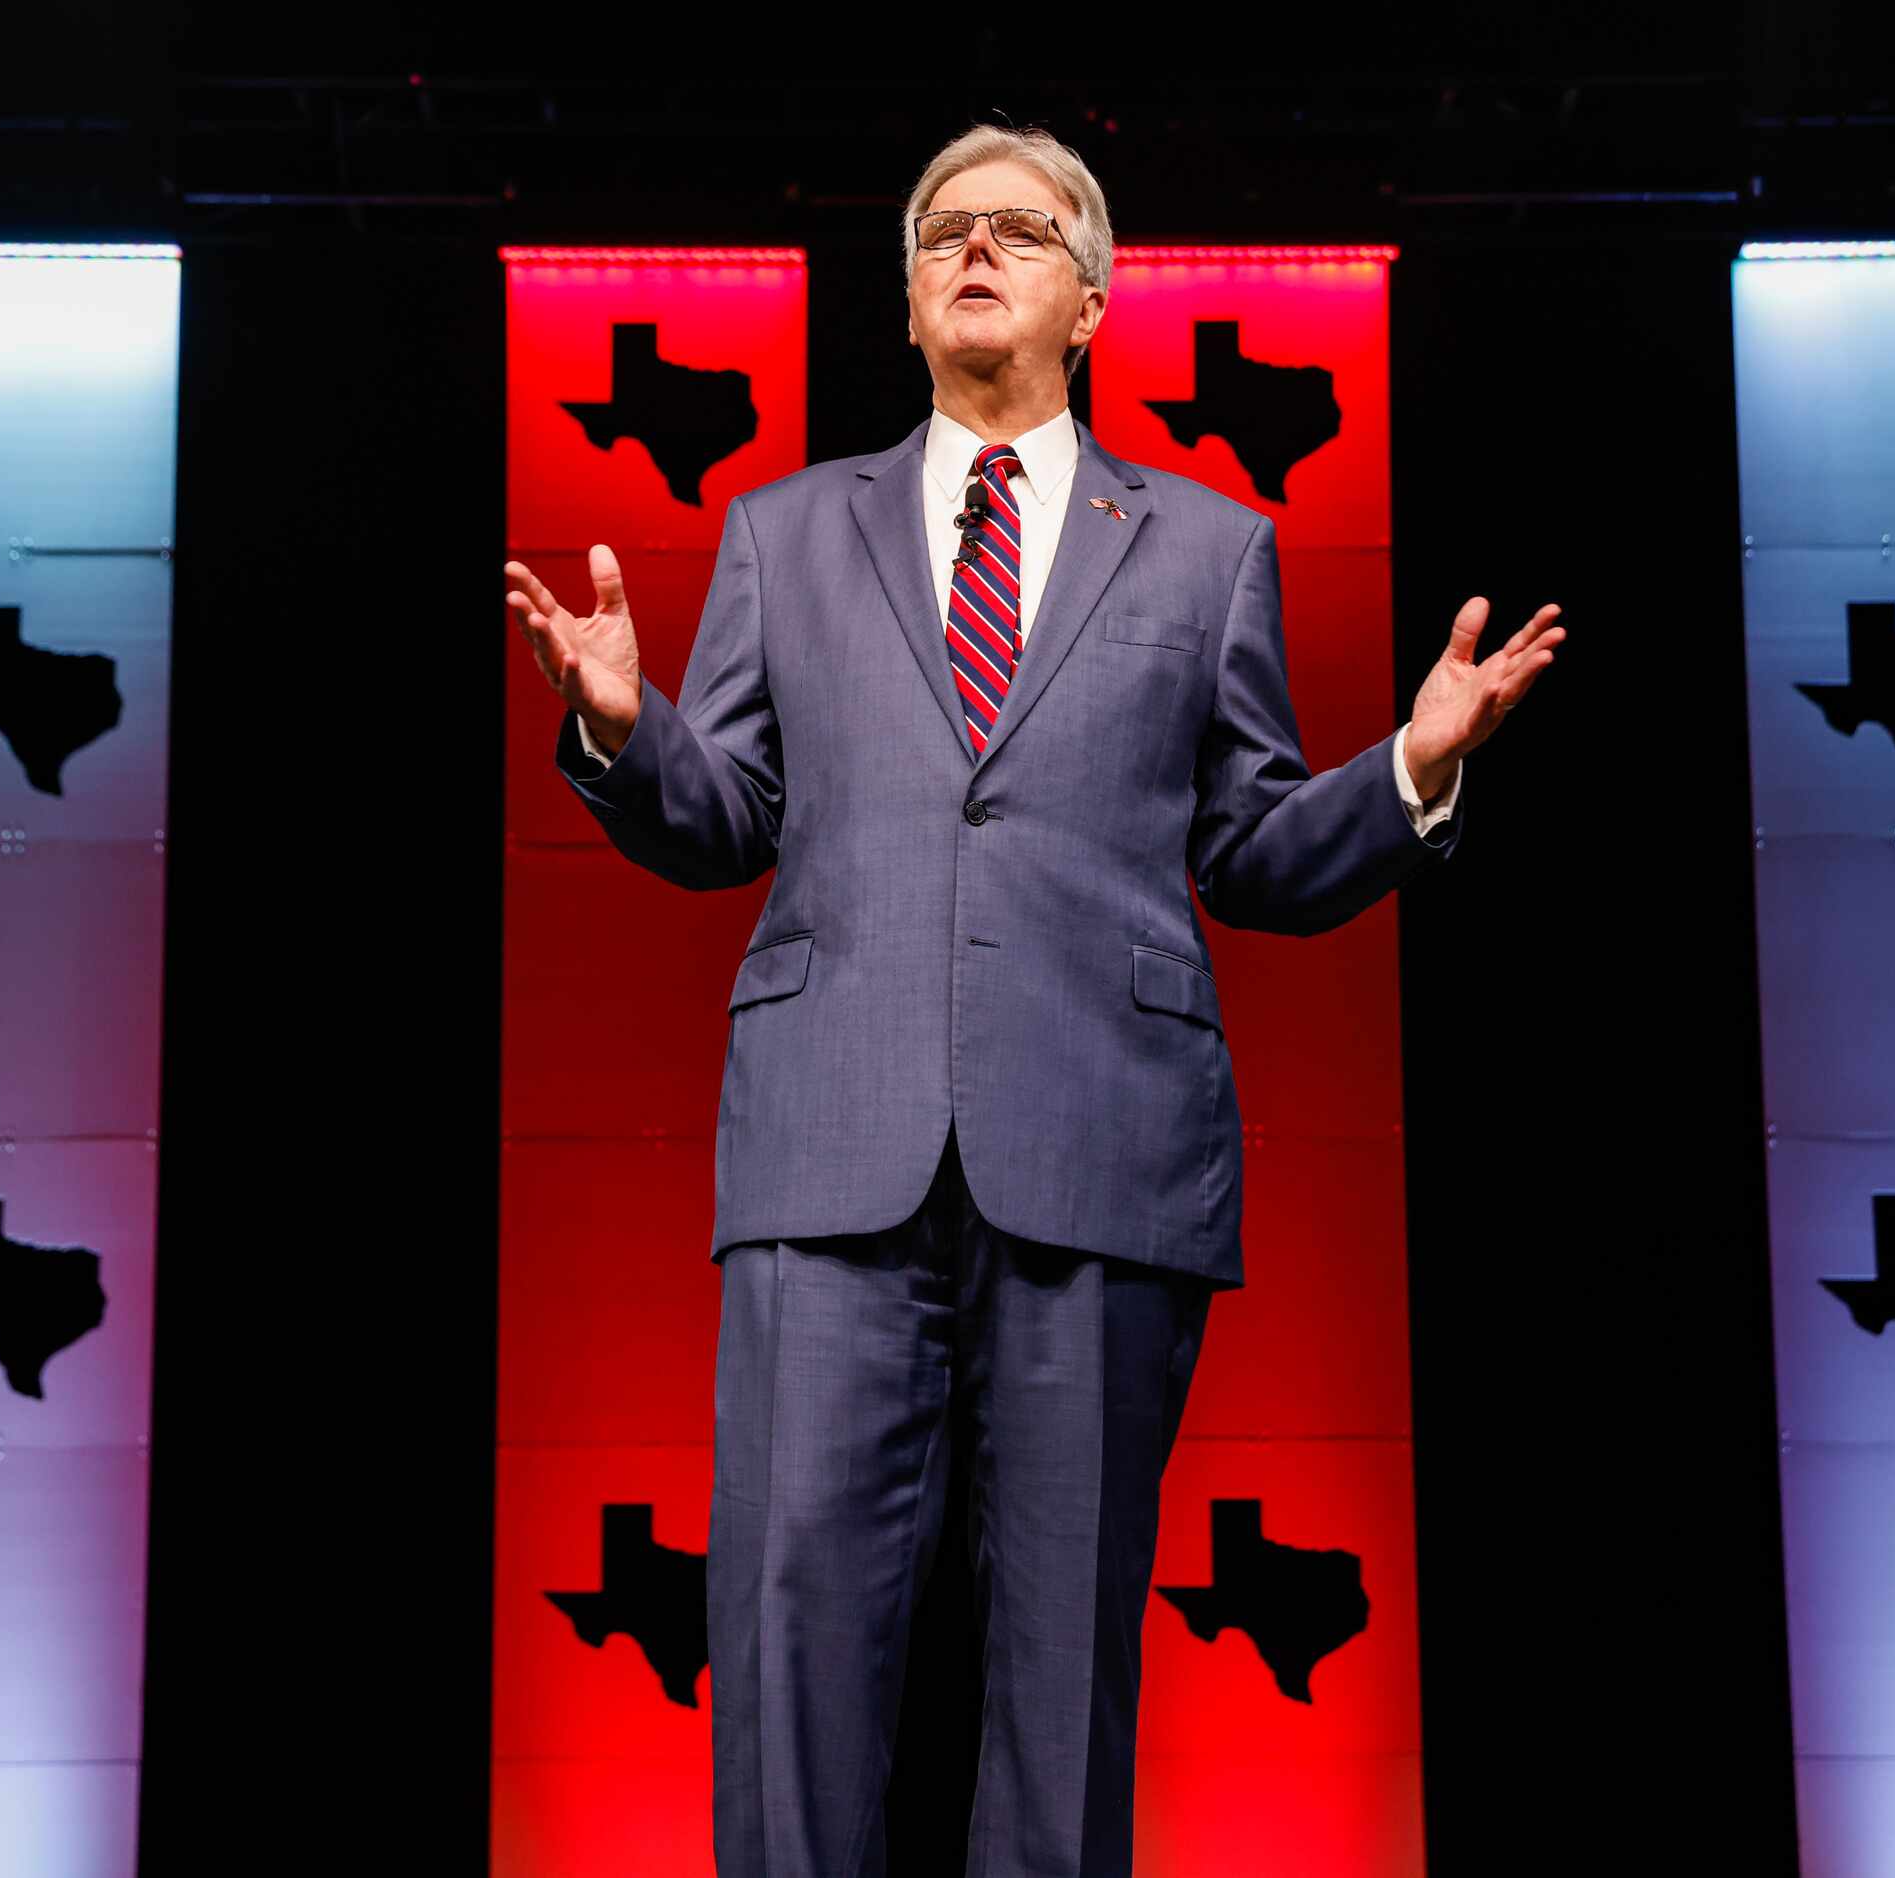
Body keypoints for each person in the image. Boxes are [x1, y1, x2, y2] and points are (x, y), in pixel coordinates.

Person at [505, 123, 1562, 1878]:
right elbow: (724, 824)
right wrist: (628, 732)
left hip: (1099, 1148)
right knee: (786, 1639)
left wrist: (1407, 771)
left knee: (1062, 1664)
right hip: (828, 1154)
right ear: (909, 299)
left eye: (1016, 230)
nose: (973, 254)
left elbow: (1250, 851)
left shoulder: (1211, 547)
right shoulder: (780, 529)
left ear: (1092, 293)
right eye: (940, 235)